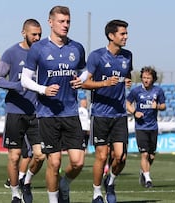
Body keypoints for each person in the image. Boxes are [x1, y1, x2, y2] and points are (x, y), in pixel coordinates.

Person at [21, 6, 86, 203]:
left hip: (70, 112)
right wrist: (43, 89)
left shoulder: (77, 48)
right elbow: (25, 80)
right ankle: (53, 200)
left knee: (78, 162)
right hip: (47, 113)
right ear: (51, 22)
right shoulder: (38, 49)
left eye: (68, 21)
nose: (65, 25)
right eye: (61, 21)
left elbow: (84, 71)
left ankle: (64, 184)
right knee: (54, 162)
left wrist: (80, 80)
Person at [0, 18, 45, 203]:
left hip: (38, 112)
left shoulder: (45, 53)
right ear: (24, 33)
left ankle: (27, 182)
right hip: (15, 111)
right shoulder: (12, 53)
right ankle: (15, 193)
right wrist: (17, 85)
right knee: (15, 157)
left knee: (40, 155)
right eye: (34, 34)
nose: (38, 38)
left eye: (40, 34)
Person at [81, 19, 133, 203]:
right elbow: (84, 82)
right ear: (111, 36)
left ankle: (110, 181)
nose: (126, 37)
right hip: (100, 114)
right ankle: (96, 193)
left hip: (119, 114)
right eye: (122, 33)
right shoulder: (96, 56)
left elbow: (126, 76)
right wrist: (104, 83)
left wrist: (126, 82)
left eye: (126, 33)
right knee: (102, 156)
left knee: (121, 157)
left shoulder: (128, 56)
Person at [126, 66, 166, 188]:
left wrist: (157, 107)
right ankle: (148, 180)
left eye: (148, 78)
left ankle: (143, 171)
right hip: (141, 127)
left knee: (151, 156)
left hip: (153, 127)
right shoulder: (136, 91)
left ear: (153, 79)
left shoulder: (158, 91)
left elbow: (163, 106)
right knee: (144, 154)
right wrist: (134, 112)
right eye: (144, 77)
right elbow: (127, 103)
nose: (146, 80)